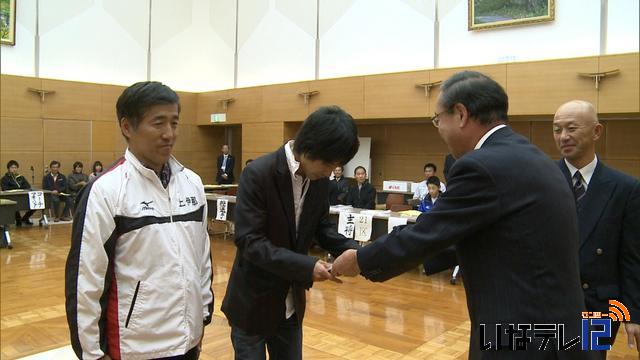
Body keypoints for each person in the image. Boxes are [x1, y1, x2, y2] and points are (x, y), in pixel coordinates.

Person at [332, 71, 594, 358]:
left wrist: (361, 259)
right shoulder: (535, 157)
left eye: (437, 119)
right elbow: (487, 235)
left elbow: (428, 232)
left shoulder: (481, 166)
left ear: (460, 114)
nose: (439, 128)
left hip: (521, 333)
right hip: (564, 331)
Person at [65, 81, 213, 360]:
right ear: (127, 127)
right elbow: (85, 278)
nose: (169, 134)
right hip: (136, 346)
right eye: (158, 123)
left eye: (174, 123)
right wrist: (92, 353)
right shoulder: (106, 191)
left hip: (188, 340)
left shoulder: (192, 183)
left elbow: (201, 258)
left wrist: (202, 314)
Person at [221, 105, 360, 360]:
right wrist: (306, 266)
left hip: (290, 307)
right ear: (310, 147)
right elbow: (250, 242)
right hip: (252, 304)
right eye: (329, 163)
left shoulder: (318, 182)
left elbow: (321, 228)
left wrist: (357, 252)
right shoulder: (258, 173)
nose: (331, 172)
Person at [553, 100, 640, 355]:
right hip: (548, 302)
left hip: (597, 304)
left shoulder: (625, 188)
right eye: (557, 129)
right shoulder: (542, 180)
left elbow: (632, 256)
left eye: (571, 128)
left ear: (596, 131)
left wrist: (633, 312)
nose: (564, 136)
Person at [1, 160, 36, 226]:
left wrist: (16, 188)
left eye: (15, 168)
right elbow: (5, 188)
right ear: (8, 169)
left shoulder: (21, 177)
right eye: (12, 168)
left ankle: (25, 218)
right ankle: (18, 219)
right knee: (14, 204)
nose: (14, 169)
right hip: (11, 197)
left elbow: (27, 186)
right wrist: (18, 188)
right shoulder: (4, 178)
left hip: (23, 196)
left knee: (35, 203)